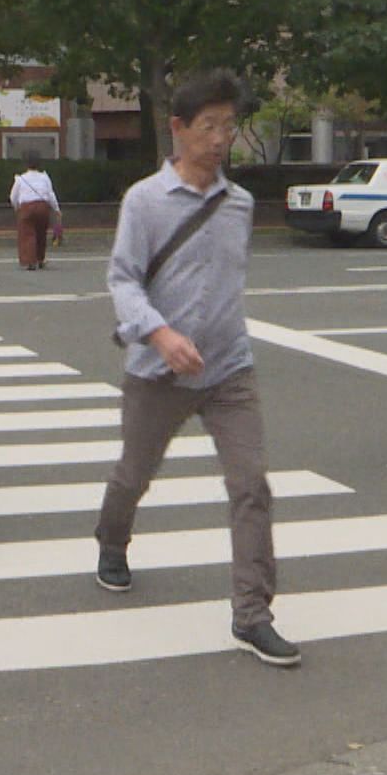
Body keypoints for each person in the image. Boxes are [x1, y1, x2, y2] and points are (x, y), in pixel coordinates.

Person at [93, 70, 299, 668]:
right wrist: (159, 332)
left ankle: (252, 614)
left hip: (229, 369)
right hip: (157, 369)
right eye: (207, 126)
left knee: (251, 485)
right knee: (134, 472)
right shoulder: (145, 200)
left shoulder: (239, 205)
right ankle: (111, 538)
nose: (219, 138)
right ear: (178, 129)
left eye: (228, 126)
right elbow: (123, 278)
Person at [8, 151, 61, 270]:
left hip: (26, 208)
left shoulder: (20, 179)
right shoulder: (44, 177)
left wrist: (17, 207)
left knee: (27, 234)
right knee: (41, 233)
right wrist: (56, 209)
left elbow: (13, 197)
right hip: (43, 207)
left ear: (25, 164)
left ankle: (30, 261)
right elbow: (50, 194)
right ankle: (40, 259)